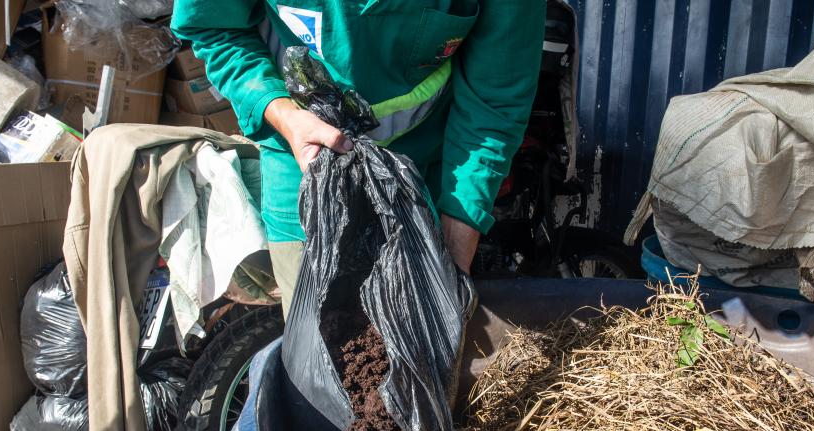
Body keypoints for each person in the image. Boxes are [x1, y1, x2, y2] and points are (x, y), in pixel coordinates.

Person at [172, 0, 546, 317]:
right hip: (305, 173)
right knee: (322, 350)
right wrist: (284, 115)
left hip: (422, 178)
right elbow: (215, 30)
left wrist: (454, 246)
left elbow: (495, 99)